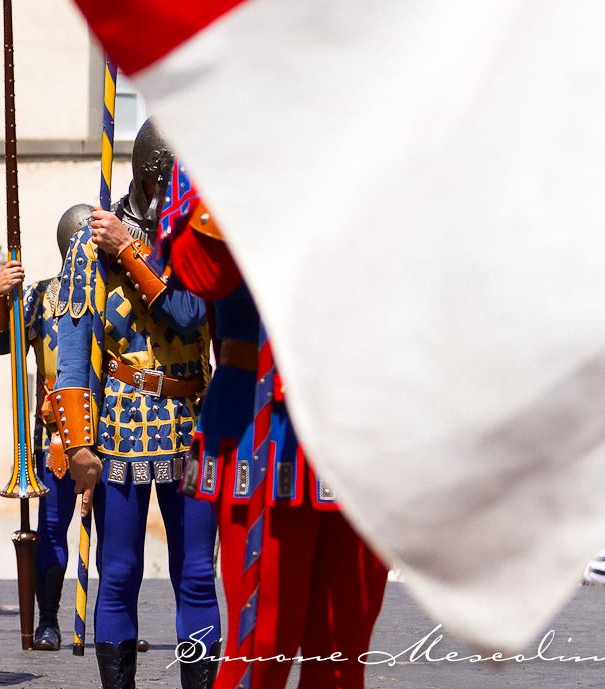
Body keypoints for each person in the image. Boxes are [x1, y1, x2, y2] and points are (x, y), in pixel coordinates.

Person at [165, 162, 389, 689]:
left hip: (367, 423)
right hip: (263, 425)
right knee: (260, 652)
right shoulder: (223, 143)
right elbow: (203, 272)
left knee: (341, 659)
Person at [50, 121, 219, 688]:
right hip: (123, 420)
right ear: (151, 179)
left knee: (196, 573)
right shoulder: (89, 243)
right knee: (118, 572)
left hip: (193, 420)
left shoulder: (200, 236)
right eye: (175, 183)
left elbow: (189, 314)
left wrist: (129, 250)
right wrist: (78, 444)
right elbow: (74, 350)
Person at [0, 203, 91, 649]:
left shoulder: (117, 294)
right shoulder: (42, 297)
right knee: (51, 530)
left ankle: (112, 624)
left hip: (114, 428)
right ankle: (48, 619)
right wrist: (0, 296)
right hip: (56, 436)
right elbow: (3, 344)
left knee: (115, 533)